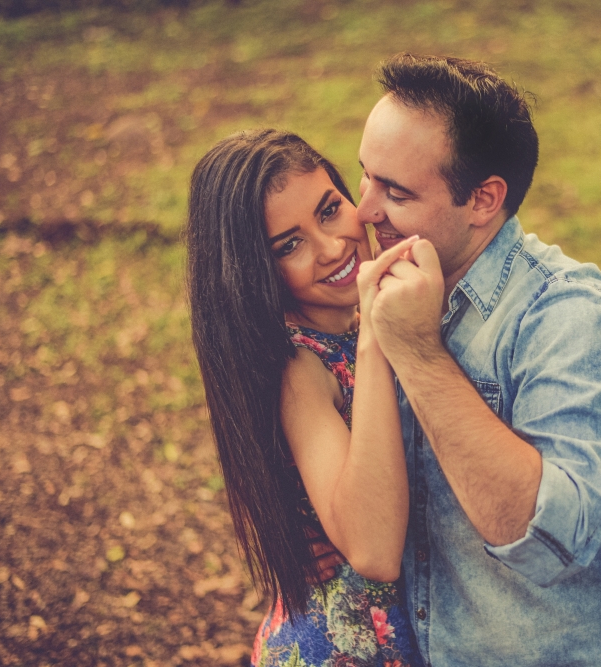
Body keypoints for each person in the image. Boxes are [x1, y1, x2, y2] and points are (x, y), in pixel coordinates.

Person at [354, 54, 601, 666]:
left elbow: (553, 542)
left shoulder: (568, 315)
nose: (365, 210)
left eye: (395, 192)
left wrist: (418, 354)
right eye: (364, 176)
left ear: (483, 200)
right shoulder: (394, 284)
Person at [185, 129, 422, 666]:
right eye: (288, 245)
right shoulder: (300, 367)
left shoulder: (365, 319)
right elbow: (374, 550)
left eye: (330, 210)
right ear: (254, 274)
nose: (333, 247)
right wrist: (375, 340)